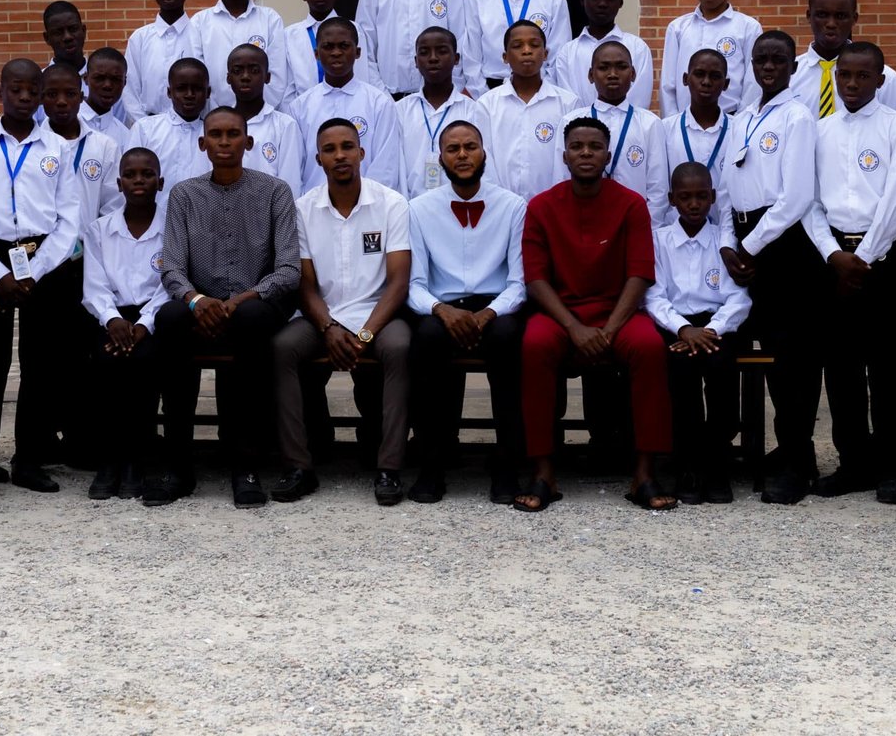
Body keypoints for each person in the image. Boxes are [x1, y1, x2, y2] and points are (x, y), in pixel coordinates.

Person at [514, 117, 674, 513]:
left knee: (650, 347)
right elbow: (535, 279)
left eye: (595, 147)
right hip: (561, 314)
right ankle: (544, 472)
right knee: (533, 345)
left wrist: (609, 330)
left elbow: (640, 273)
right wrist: (573, 327)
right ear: (564, 155)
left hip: (618, 313)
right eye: (577, 147)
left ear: (607, 155)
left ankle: (644, 474)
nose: (586, 153)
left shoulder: (631, 204)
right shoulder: (541, 206)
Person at [154, 106, 300, 507]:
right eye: (215, 135)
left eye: (232, 134)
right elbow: (172, 267)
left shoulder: (275, 191)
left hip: (254, 305)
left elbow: (289, 269)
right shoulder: (184, 195)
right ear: (202, 144)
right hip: (201, 304)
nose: (224, 142)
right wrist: (197, 300)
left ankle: (245, 465)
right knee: (169, 317)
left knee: (251, 320)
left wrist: (240, 300)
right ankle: (178, 466)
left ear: (247, 142)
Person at [270, 119, 413, 506]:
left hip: (377, 316)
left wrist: (365, 334)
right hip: (322, 317)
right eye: (330, 149)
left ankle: (389, 467)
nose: (340, 155)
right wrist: (329, 327)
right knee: (283, 347)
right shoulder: (302, 209)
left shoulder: (391, 203)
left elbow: (398, 282)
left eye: (347, 146)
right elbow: (305, 285)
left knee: (400, 347)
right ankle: (298, 466)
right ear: (318, 159)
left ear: (361, 153)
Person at [0, 60, 79, 499]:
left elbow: (68, 220)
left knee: (40, 363)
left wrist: (34, 273)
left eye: (33, 91)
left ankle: (28, 458)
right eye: (16, 90)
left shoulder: (57, 148)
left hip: (42, 261)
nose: (25, 98)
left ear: (42, 95)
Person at [804, 42, 896, 503]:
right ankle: (852, 462)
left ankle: (890, 464)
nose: (851, 84)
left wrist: (864, 256)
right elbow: (810, 200)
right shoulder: (820, 131)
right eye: (845, 76)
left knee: (887, 367)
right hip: (834, 260)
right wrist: (833, 253)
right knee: (841, 367)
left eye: (862, 76)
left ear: (880, 80)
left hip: (881, 260)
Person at [716, 29, 822, 505]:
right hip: (744, 243)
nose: (769, 67)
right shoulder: (742, 117)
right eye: (761, 59)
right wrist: (728, 243)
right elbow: (725, 188)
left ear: (793, 67)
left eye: (779, 60)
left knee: (790, 359)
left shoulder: (798, 117)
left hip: (782, 244)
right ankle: (745, 445)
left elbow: (796, 196)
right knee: (739, 342)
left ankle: (796, 459)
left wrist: (751, 246)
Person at [405, 120, 528, 504]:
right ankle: (432, 463)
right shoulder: (419, 209)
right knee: (425, 340)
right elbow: (414, 284)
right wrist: (440, 310)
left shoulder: (512, 206)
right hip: (443, 308)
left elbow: (519, 282)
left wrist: (489, 314)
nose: (462, 155)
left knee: (508, 341)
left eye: (470, 146)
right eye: (453, 149)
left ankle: (507, 465)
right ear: (440, 158)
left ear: (484, 152)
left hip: (496, 307)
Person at [646, 161, 752, 505]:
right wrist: (683, 329)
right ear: (671, 199)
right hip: (675, 325)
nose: (694, 204)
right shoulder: (659, 241)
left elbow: (739, 298)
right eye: (685, 197)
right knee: (681, 374)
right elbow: (654, 296)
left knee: (721, 371)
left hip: (717, 326)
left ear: (713, 197)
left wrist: (710, 330)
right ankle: (688, 465)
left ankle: (717, 464)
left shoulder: (725, 241)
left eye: (701, 196)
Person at [42, 61, 123, 468]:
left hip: (87, 263)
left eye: (69, 94)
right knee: (46, 354)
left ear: (82, 95)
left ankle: (82, 437)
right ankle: (41, 438)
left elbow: (112, 207)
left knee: (85, 352)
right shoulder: (33, 145)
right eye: (53, 95)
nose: (62, 102)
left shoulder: (103, 146)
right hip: (44, 265)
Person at [81, 148, 170, 501]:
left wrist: (144, 324)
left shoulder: (173, 228)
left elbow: (171, 283)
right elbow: (94, 285)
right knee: (106, 362)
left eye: (147, 174)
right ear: (119, 184)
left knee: (143, 362)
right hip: (111, 318)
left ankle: (135, 459)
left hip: (154, 318)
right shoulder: (100, 230)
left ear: (160, 182)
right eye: (130, 175)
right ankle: (109, 460)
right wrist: (113, 319)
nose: (138, 181)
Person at [288, 18, 401, 192]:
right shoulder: (300, 107)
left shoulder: (379, 103)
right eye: (328, 47)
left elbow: (386, 166)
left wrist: (368, 201)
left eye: (344, 46)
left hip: (368, 202)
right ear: (316, 54)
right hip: (314, 203)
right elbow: (295, 168)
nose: (336, 53)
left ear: (358, 52)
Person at [476, 20, 582, 200]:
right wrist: (500, 201)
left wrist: (555, 201)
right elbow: (483, 158)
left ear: (545, 54)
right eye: (517, 46)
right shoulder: (486, 104)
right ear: (505, 57)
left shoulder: (568, 103)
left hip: (553, 204)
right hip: (501, 204)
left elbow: (570, 161)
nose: (526, 51)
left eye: (534, 45)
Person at [658, 0, 762, 116]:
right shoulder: (678, 28)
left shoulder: (748, 28)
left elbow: (752, 83)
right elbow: (668, 85)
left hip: (732, 120)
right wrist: (672, 123)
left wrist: (741, 122)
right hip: (683, 121)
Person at [188, 0, 288, 111]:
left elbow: (277, 77)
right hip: (214, 117)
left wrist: (257, 112)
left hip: (261, 116)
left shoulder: (270, 19)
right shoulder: (199, 23)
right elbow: (198, 76)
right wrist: (218, 114)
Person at [788, 0, 896, 117]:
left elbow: (895, 125)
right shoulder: (789, 75)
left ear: (854, 18)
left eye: (840, 16)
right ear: (809, 16)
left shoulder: (884, 77)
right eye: (822, 15)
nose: (831, 24)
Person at [395, 26, 487, 200]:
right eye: (424, 53)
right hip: (410, 204)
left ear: (456, 59)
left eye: (442, 51)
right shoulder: (400, 109)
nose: (433, 58)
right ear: (416, 61)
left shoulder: (473, 110)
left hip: (458, 203)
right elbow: (396, 164)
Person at [585, 39, 669, 224]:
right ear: (591, 75)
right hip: (586, 224)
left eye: (621, 67)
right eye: (604, 68)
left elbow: (658, 189)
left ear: (633, 74)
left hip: (636, 225)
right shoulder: (573, 122)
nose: (612, 74)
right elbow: (562, 180)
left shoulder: (650, 124)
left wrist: (646, 228)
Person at [551, 0, 655, 111]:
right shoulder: (567, 52)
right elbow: (567, 102)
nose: (602, 3)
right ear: (582, 0)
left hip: (629, 124)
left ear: (621, 2)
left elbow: (639, 99)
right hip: (580, 124)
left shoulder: (637, 48)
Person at [122, 0, 199, 123]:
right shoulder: (140, 38)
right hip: (149, 125)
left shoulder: (199, 35)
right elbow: (130, 91)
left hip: (194, 126)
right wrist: (145, 126)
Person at [662, 49, 732, 222]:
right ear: (686, 79)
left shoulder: (739, 129)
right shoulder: (665, 129)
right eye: (699, 74)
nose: (706, 82)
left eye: (715, 76)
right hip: (676, 230)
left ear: (726, 84)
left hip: (726, 229)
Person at [227, 43, 303, 195]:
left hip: (271, 209)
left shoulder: (285, 125)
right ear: (228, 78)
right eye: (237, 71)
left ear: (267, 77)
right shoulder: (218, 125)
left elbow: (290, 184)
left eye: (254, 71)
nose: (245, 77)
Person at [132, 57, 211, 198]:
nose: (189, 95)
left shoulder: (214, 135)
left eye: (197, 89)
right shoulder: (145, 129)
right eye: (181, 88)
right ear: (169, 92)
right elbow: (130, 178)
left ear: (208, 93)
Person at [278, 0, 342, 107]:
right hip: (304, 113)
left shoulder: (353, 30)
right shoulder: (289, 35)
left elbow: (362, 77)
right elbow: (287, 87)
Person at [81, 47, 133, 143]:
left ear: (124, 82)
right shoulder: (66, 122)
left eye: (115, 79)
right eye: (99, 78)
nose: (107, 85)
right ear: (86, 79)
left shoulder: (125, 136)